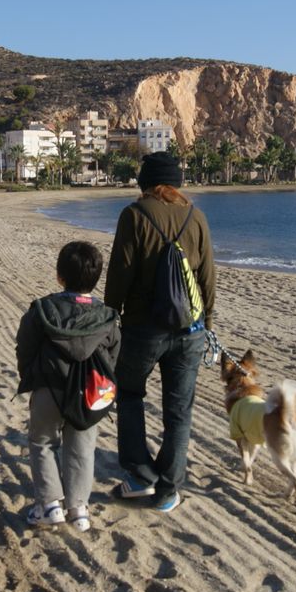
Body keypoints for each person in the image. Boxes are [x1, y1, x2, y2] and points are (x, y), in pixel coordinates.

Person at [103, 152, 216, 513]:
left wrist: (111, 317)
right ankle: (169, 489)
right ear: (177, 183)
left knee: (131, 395)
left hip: (141, 328)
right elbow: (207, 278)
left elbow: (120, 273)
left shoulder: (134, 216)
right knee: (179, 411)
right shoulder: (196, 217)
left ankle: (139, 476)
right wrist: (207, 324)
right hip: (189, 331)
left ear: (146, 182)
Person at [16, 241, 121, 531]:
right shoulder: (107, 316)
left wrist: (31, 375)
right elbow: (113, 355)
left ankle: (50, 505)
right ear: (97, 277)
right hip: (89, 392)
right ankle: (78, 509)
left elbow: (25, 346)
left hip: (49, 386)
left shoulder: (43, 310)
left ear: (60, 276)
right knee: (82, 448)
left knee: (42, 442)